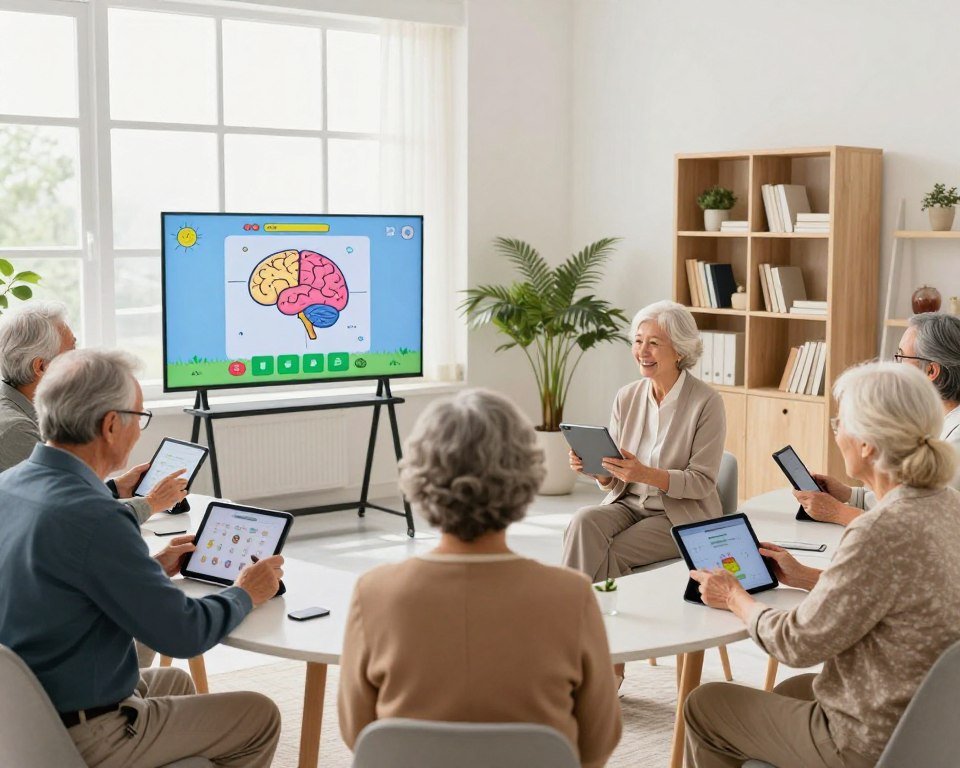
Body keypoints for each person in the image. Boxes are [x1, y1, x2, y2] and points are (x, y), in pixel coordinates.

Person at [0, 349, 285, 767]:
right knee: (259, 716)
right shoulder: (97, 517)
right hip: (82, 732)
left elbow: (63, 582)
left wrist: (150, 567)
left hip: (23, 713)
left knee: (173, 681)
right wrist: (245, 592)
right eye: (139, 417)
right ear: (111, 425)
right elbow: (184, 634)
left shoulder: (9, 485)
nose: (139, 431)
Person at [684, 361, 960, 768]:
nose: (836, 432)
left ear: (866, 443)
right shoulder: (948, 505)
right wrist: (804, 576)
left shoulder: (876, 532)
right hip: (933, 716)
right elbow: (890, 593)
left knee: (706, 704)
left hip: (869, 739)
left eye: (839, 422)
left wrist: (735, 598)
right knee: (795, 690)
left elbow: (796, 643)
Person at [338, 389, 622, 768]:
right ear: (524, 475)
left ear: (420, 475)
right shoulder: (571, 596)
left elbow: (358, 733)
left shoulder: (373, 594)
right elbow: (597, 743)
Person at [562, 300, 726, 582]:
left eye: (653, 343)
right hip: (627, 505)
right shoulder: (627, 396)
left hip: (678, 516)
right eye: (638, 341)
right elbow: (615, 480)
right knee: (582, 522)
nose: (642, 352)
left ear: (679, 350)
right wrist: (597, 470)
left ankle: (576, 616)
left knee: (609, 552)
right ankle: (580, 613)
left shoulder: (707, 402)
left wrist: (646, 474)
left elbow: (702, 482)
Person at [0, 302, 187, 522]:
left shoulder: (15, 408)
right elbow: (70, 519)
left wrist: (114, 488)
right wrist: (151, 502)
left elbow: (61, 497)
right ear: (41, 367)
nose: (79, 358)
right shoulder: (17, 431)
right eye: (71, 351)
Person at [796, 312, 960, 525]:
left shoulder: (956, 440)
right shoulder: (931, 421)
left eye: (901, 356)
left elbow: (918, 525)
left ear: (930, 370)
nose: (895, 365)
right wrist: (848, 494)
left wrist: (837, 513)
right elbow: (906, 498)